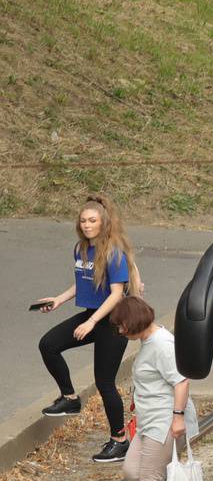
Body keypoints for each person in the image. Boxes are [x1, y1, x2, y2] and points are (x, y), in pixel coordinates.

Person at [33, 195, 140, 463]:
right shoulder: (81, 249)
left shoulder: (113, 251)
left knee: (105, 382)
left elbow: (116, 294)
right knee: (49, 344)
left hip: (114, 321)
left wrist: (91, 323)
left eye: (92, 221)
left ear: (104, 223)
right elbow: (82, 282)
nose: (87, 225)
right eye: (83, 221)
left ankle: (120, 441)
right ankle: (70, 398)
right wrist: (58, 299)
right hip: (93, 316)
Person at [109, 296, 201, 481]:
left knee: (150, 480)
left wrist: (178, 418)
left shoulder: (162, 345)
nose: (120, 331)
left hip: (165, 422)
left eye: (121, 326)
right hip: (150, 421)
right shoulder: (149, 340)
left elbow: (182, 381)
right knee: (132, 470)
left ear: (132, 323)